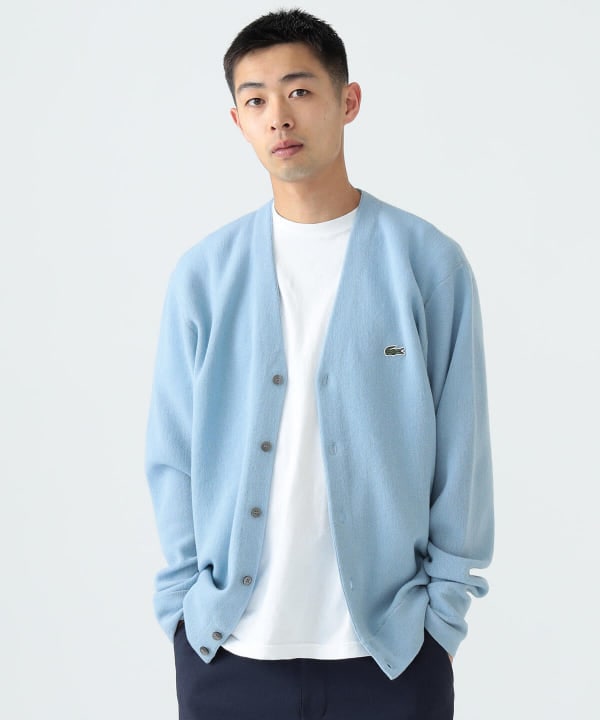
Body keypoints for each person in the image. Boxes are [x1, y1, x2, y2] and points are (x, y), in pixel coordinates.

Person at [145, 9, 494, 720]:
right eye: (255, 100)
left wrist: (442, 622)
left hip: (392, 657)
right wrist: (184, 608)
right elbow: (172, 455)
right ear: (238, 121)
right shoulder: (205, 275)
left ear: (348, 100)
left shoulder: (428, 265)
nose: (279, 116)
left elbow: (463, 458)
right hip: (228, 653)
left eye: (299, 91)